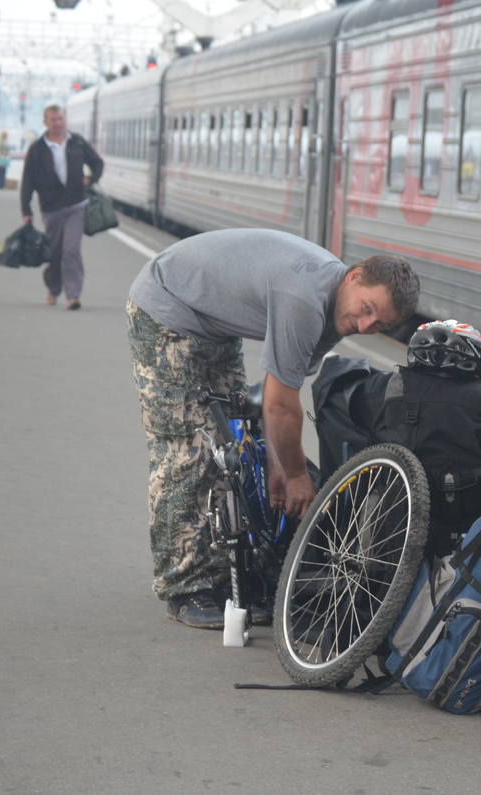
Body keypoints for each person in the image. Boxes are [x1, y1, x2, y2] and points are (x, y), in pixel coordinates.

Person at [126, 229, 420, 630]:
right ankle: (183, 588)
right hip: (166, 308)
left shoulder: (334, 312)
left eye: (378, 323)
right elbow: (282, 405)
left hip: (212, 326)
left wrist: (278, 464)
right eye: (367, 308)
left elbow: (275, 399)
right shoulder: (305, 298)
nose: (365, 324)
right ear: (353, 277)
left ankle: (218, 579)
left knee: (232, 444)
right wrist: (297, 476)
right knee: (189, 449)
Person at [20, 105, 104, 310]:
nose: (58, 123)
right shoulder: (37, 149)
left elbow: (97, 163)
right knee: (55, 251)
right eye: (53, 119)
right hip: (51, 207)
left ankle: (72, 295)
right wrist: (26, 210)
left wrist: (90, 179)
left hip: (77, 204)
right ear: (45, 122)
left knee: (71, 250)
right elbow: (28, 181)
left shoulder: (76, 142)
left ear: (65, 119)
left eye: (60, 119)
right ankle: (53, 289)